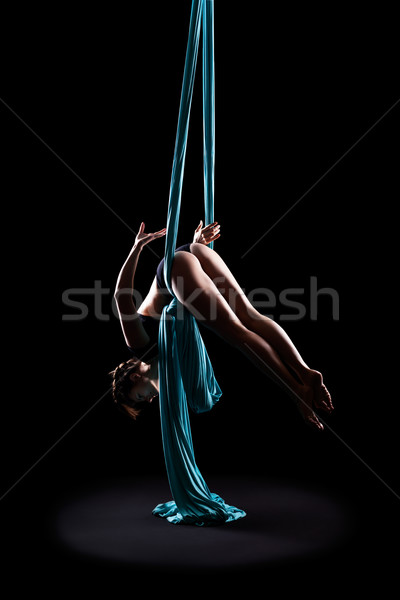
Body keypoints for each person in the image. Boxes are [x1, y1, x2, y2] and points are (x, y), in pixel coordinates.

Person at [110, 221, 333, 430]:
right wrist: (195, 244)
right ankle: (304, 372)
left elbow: (121, 298)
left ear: (135, 377)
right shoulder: (168, 361)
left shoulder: (140, 348)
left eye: (140, 396)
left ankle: (297, 391)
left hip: (174, 273)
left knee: (239, 334)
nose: (150, 399)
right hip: (192, 252)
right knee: (251, 317)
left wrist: (137, 247)